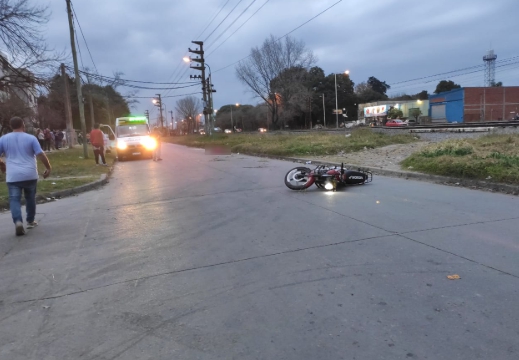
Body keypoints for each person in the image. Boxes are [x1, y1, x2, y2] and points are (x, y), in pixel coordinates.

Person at [0, 117, 52, 236]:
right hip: (30, 174)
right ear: (23, 125)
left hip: (13, 175)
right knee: (30, 198)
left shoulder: (3, 139)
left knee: (14, 199)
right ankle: (30, 220)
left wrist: (2, 164)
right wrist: (48, 168)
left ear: (10, 126)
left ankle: (18, 221)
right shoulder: (31, 138)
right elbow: (40, 154)